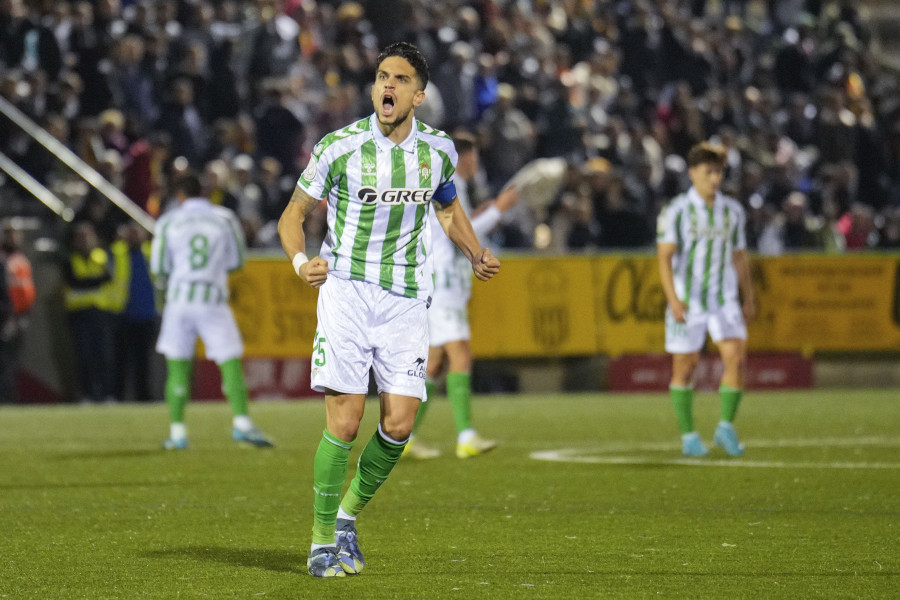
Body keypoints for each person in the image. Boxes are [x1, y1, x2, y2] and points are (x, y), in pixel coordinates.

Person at [277, 42, 501, 578]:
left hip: (405, 298)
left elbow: (447, 208)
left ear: (419, 95)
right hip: (347, 292)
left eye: (400, 79)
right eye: (382, 76)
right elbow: (293, 214)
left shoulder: (439, 151)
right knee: (347, 420)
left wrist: (475, 253)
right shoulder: (339, 147)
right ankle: (319, 542)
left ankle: (348, 516)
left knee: (399, 424)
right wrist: (300, 260)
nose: (388, 86)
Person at [404, 132, 519, 459]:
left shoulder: (450, 185)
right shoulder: (450, 182)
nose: (476, 163)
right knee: (461, 354)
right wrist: (498, 209)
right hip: (445, 282)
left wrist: (484, 210)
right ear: (462, 158)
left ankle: (401, 436)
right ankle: (466, 435)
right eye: (473, 157)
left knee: (434, 363)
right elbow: (461, 232)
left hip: (440, 279)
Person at [150, 171, 273, 450]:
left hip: (180, 300)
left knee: (178, 367)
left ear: (180, 196)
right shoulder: (224, 218)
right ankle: (242, 424)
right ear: (203, 193)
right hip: (213, 300)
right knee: (229, 362)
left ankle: (178, 433)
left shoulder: (168, 221)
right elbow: (238, 261)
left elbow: (159, 267)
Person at [656, 142, 756, 457]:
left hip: (724, 298)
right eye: (708, 172)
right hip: (688, 300)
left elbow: (740, 256)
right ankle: (689, 436)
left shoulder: (732, 211)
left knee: (736, 357)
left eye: (718, 172)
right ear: (692, 173)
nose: (714, 178)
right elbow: (664, 258)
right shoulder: (676, 211)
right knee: (686, 367)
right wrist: (673, 299)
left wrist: (748, 296)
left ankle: (726, 427)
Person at [0, 222, 36, 403]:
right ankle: (5, 399)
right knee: (4, 360)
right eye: (8, 234)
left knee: (11, 360)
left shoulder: (20, 259)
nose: (12, 238)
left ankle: (8, 397)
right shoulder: (3, 259)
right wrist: (10, 317)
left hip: (20, 315)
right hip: (7, 316)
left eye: (15, 234)